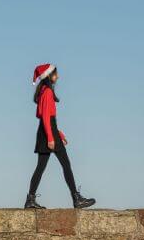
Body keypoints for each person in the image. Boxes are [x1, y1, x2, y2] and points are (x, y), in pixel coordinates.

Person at [24, 64, 95, 209]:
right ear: (49, 76)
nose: (58, 77)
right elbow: (45, 117)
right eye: (56, 74)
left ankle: (30, 199)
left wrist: (58, 134)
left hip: (47, 131)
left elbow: (48, 118)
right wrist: (51, 137)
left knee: (41, 167)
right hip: (48, 132)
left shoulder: (44, 91)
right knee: (65, 164)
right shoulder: (48, 92)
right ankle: (76, 199)